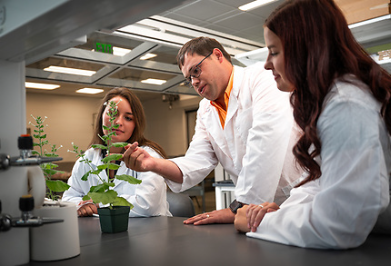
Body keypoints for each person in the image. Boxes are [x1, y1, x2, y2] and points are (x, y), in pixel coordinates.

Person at [234, 0, 391, 249]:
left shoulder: (347, 105)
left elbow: (338, 225)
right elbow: (321, 182)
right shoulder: (333, 98)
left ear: (305, 49)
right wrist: (283, 211)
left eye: (274, 51)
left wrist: (259, 223)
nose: (267, 63)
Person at [122, 37, 303, 225]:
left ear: (217, 55)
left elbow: (265, 142)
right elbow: (197, 161)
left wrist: (238, 207)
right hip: (257, 211)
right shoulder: (205, 110)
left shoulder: (260, 77)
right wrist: (153, 164)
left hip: (298, 196)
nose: (194, 81)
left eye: (196, 70)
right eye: (189, 78)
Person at [62, 87, 171, 217]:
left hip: (150, 232)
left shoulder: (149, 157)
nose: (118, 122)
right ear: (101, 116)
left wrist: (99, 204)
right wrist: (84, 207)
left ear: (136, 124)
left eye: (128, 118)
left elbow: (146, 205)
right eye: (113, 114)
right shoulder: (88, 158)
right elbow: (68, 199)